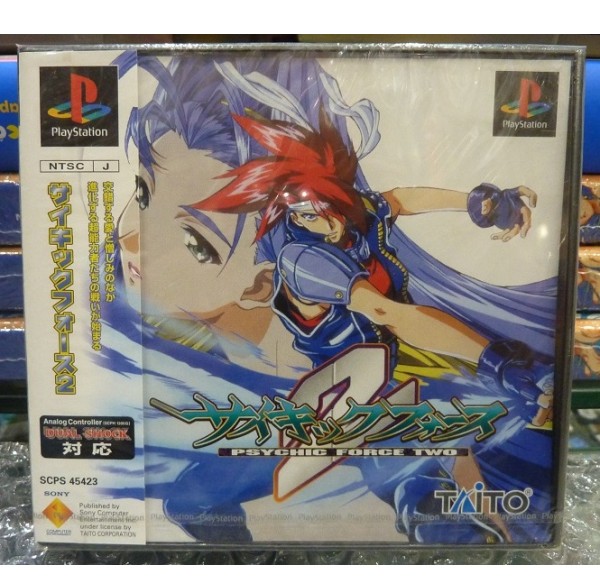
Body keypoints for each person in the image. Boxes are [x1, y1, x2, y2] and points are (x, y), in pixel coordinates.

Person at [109, 52, 562, 545]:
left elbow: (398, 206)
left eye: (195, 243)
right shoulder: (300, 257)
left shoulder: (320, 242)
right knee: (195, 499)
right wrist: (497, 362)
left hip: (356, 396)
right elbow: (390, 311)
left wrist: (475, 203)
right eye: (142, 192)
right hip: (322, 400)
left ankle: (486, 533)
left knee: (425, 486)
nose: (129, 237)